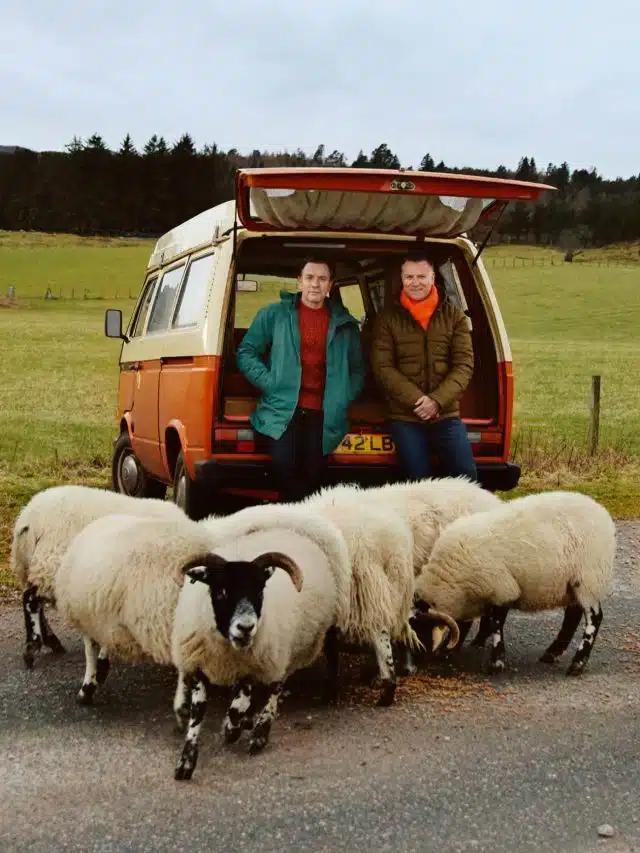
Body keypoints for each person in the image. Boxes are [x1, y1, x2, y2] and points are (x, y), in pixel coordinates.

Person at [237, 257, 365, 501]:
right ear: (299, 282)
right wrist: (270, 382)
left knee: (314, 476)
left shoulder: (346, 325)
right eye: (309, 278)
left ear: (330, 285)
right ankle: (295, 525)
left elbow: (358, 369)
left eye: (322, 279)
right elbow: (246, 352)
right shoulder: (273, 314)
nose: (315, 284)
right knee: (284, 469)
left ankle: (301, 526)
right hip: (282, 409)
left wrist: (344, 395)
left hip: (325, 413)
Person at [370, 253, 476, 482]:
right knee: (417, 482)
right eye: (409, 277)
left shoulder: (454, 317)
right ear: (401, 278)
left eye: (421, 276)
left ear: (433, 277)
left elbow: (464, 365)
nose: (415, 282)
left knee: (467, 480)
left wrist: (436, 401)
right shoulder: (388, 318)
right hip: (405, 416)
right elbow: (383, 367)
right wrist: (418, 401)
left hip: (445, 413)